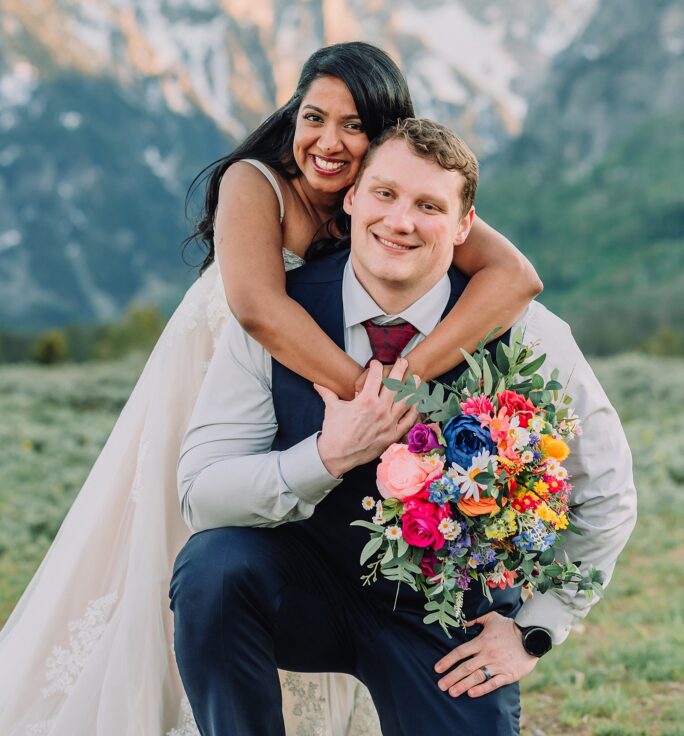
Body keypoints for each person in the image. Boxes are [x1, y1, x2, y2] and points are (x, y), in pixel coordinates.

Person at [0, 44, 541, 736]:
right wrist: (371, 400)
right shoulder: (256, 183)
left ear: (386, 139)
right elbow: (258, 306)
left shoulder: (391, 198)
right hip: (214, 391)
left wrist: (412, 379)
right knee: (190, 558)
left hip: (316, 406)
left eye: (354, 126)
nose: (329, 139)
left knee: (313, 543)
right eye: (314, 116)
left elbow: (516, 278)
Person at [171, 118, 637, 736]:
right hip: (304, 587)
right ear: (353, 198)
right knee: (213, 568)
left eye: (429, 206)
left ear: (464, 226)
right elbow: (200, 494)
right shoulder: (279, 317)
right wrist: (325, 456)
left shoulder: (529, 334)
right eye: (385, 194)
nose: (400, 221)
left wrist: (537, 626)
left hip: (448, 624)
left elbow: (606, 491)